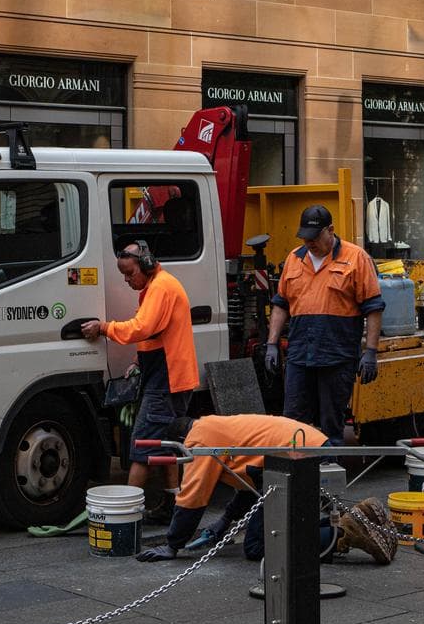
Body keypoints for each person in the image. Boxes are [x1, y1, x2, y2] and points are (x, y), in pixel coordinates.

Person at [133, 414, 397, 564]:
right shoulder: (214, 426)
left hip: (304, 457)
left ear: (181, 441)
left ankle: (346, 532)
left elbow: (193, 495)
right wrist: (225, 521)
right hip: (309, 450)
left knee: (259, 546)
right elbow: (251, 484)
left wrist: (172, 545)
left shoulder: (199, 440)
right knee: (272, 533)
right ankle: (359, 521)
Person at [81, 240, 197, 522]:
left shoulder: (160, 288)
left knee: (142, 445)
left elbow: (141, 328)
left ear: (145, 265)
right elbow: (154, 333)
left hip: (166, 379)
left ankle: (125, 513)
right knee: (167, 443)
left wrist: (104, 328)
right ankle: (173, 504)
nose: (127, 279)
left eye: (130, 273)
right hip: (170, 376)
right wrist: (139, 360)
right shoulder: (155, 287)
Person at [264, 205, 384, 446]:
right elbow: (281, 304)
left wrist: (371, 352)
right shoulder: (294, 258)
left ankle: (329, 476)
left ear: (330, 230)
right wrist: (272, 344)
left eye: (315, 237)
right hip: (300, 355)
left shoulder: (356, 258)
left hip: (337, 357)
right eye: (305, 237)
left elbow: (373, 307)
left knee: (331, 424)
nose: (309, 243)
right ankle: (298, 477)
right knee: (293, 423)